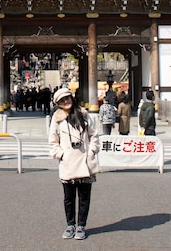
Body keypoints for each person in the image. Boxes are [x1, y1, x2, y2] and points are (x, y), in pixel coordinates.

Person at [48, 87, 100, 241]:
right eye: (62, 100)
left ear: (72, 98)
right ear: (58, 103)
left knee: (84, 197)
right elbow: (52, 141)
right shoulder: (57, 119)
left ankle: (81, 225)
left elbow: (94, 135)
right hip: (68, 161)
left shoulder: (84, 115)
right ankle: (70, 224)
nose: (66, 102)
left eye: (67, 98)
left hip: (84, 159)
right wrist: (61, 155)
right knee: (68, 197)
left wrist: (92, 151)